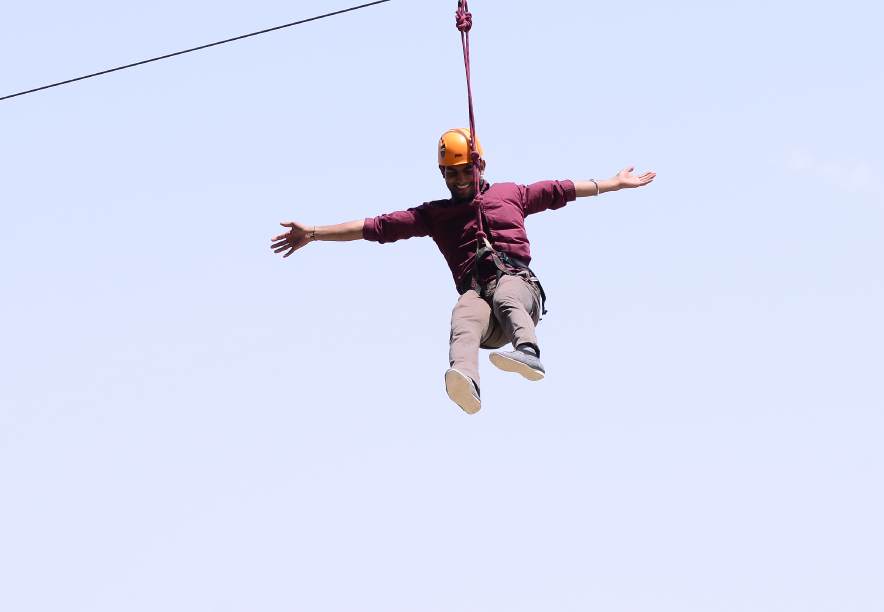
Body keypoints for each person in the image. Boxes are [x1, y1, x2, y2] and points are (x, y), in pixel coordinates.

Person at [271, 128, 657, 414]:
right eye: (450, 174)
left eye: (464, 171)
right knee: (464, 311)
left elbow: (561, 189)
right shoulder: (435, 215)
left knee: (505, 290)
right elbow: (377, 227)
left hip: (521, 290)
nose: (458, 181)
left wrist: (614, 184)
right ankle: (466, 379)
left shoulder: (511, 194)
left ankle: (529, 351)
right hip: (483, 307)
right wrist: (316, 233)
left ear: (480, 165)